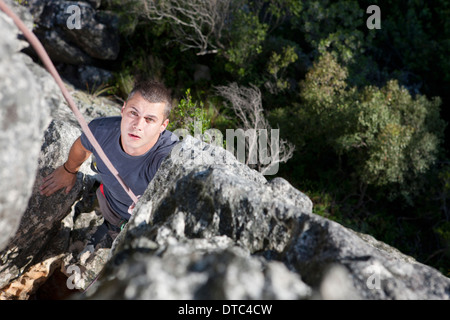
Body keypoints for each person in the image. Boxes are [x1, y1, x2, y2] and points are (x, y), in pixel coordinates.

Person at [39, 79, 179, 248]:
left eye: (150, 119)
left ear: (163, 126)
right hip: (110, 207)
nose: (138, 125)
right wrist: (69, 170)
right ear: (123, 109)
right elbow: (81, 147)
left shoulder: (168, 158)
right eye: (133, 113)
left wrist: (153, 202)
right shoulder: (101, 131)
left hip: (144, 227)